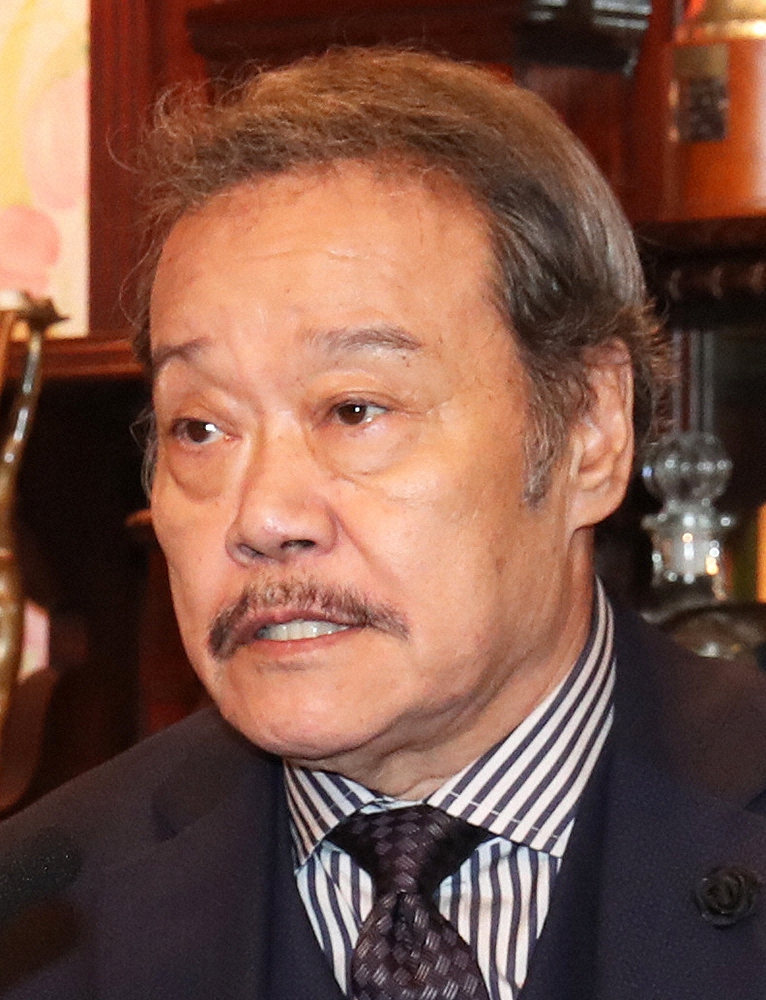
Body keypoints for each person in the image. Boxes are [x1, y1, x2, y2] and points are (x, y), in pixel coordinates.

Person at [1, 46, 766, 1000]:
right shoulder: (40, 922)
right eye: (200, 428)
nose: (264, 516)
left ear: (589, 432)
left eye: (354, 410)